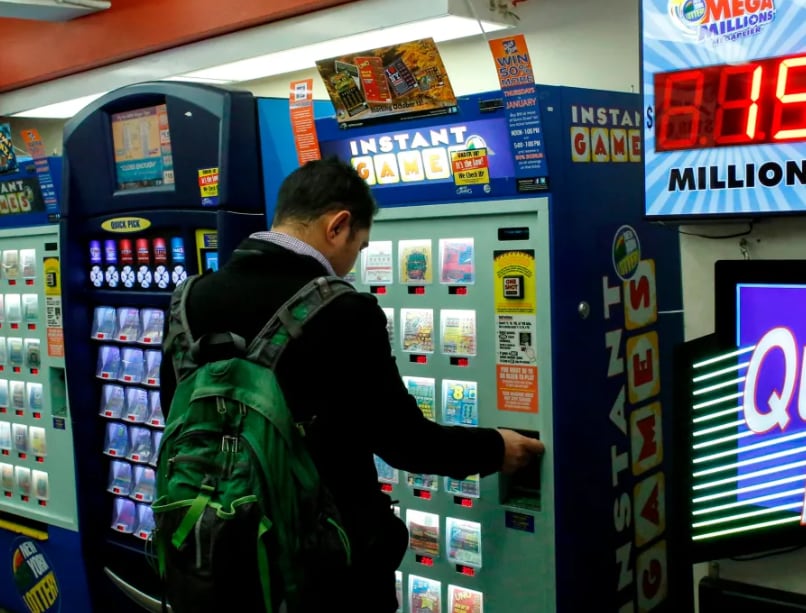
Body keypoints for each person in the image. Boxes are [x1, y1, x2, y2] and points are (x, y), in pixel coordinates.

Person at [159, 156, 545, 612]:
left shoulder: (189, 300)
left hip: (218, 555)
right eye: (359, 247)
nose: (350, 266)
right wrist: (497, 448)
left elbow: (175, 415)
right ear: (337, 226)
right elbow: (407, 443)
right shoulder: (344, 311)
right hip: (321, 570)